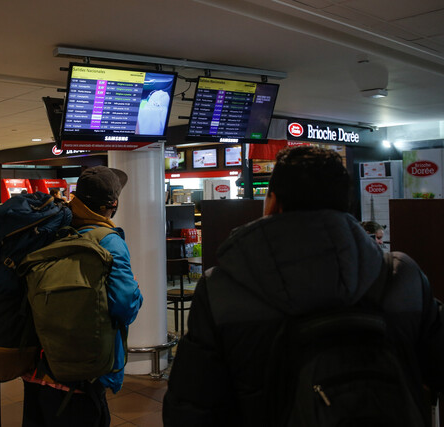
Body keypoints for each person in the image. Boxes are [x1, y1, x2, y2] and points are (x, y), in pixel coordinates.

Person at [163, 146, 444, 426]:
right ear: (345, 204)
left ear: (271, 203)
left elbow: (191, 408)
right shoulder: (402, 276)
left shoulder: (222, 288)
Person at [22, 166, 143, 427]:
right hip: (84, 374)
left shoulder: (51, 230)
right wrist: (136, 291)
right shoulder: (109, 241)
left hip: (41, 364)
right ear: (112, 205)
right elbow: (125, 306)